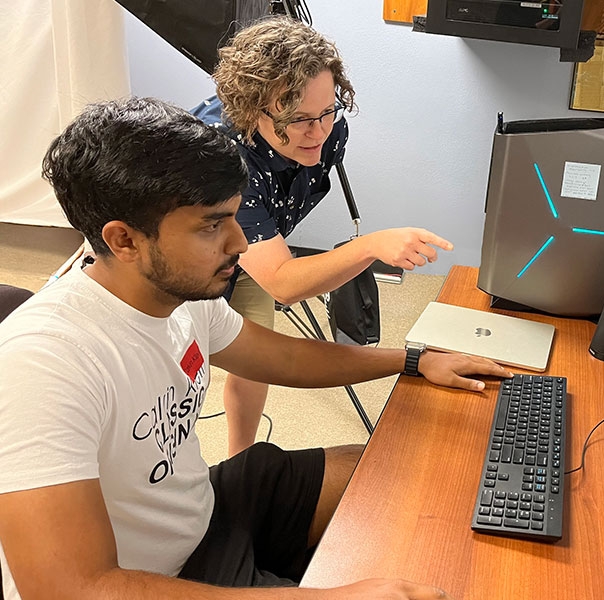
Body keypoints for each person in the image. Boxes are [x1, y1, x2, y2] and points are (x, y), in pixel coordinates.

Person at [0, 97, 512, 599]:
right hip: (157, 576)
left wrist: (414, 360)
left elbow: (282, 357)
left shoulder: (179, 293)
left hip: (204, 509)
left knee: (396, 470)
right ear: (125, 241)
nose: (240, 243)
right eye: (211, 226)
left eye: (234, 217)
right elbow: (70, 587)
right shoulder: (44, 362)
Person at [191, 16, 453, 457]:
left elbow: (274, 270)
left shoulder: (328, 131)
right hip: (184, 262)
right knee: (178, 374)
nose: (318, 132)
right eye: (298, 120)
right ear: (253, 107)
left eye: (327, 111)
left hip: (251, 247)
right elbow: (283, 281)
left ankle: (241, 458)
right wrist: (368, 246)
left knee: (255, 359)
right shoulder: (220, 157)